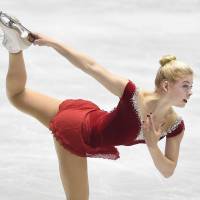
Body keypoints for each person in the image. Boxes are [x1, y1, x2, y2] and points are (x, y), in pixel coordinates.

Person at [0, 11, 194, 200]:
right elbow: (91, 66)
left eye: (191, 86)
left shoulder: (175, 126)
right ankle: (14, 46)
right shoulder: (132, 95)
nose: (190, 92)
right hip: (77, 132)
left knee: (18, 96)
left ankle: (14, 47)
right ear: (166, 85)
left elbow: (168, 170)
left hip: (81, 114)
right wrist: (54, 43)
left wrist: (153, 146)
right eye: (185, 86)